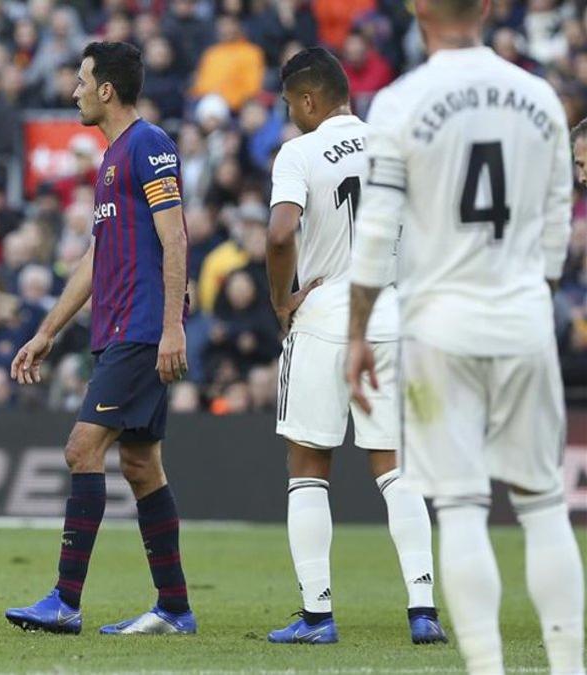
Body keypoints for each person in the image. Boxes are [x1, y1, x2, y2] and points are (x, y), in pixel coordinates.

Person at [346, 2, 582, 673]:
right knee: (542, 506)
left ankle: (487, 667)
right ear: (484, 7)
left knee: (461, 506)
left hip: (436, 328)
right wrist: (535, 285)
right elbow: (558, 214)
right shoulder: (539, 96)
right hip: (523, 317)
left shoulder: (399, 101)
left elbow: (376, 230)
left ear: (419, 9)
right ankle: (569, 664)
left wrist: (359, 331)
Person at [4, 42, 195, 636]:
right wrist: (47, 331)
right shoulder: (112, 156)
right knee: (140, 464)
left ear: (106, 89)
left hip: (140, 330)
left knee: (81, 450)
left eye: (82, 81)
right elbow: (95, 257)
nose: (75, 91)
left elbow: (176, 239)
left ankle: (64, 600)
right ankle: (174, 608)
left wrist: (170, 327)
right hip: (118, 329)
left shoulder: (149, 145)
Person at [264, 47, 445, 645]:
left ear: (310, 100)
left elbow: (281, 232)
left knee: (308, 467)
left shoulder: (299, 152)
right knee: (395, 470)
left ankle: (317, 617)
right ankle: (423, 610)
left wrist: (280, 299)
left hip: (323, 316)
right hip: (390, 315)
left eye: (291, 102)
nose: (290, 113)